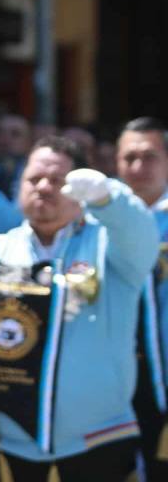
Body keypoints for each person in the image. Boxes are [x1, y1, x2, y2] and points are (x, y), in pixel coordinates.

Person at [0, 136, 159, 482]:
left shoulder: (111, 247)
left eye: (58, 180)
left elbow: (142, 237)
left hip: (96, 437)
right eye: (34, 179)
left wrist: (109, 198)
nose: (44, 187)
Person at [116, 117, 168, 480]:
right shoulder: (96, 220)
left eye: (149, 156)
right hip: (116, 383)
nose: (137, 167)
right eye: (128, 157)